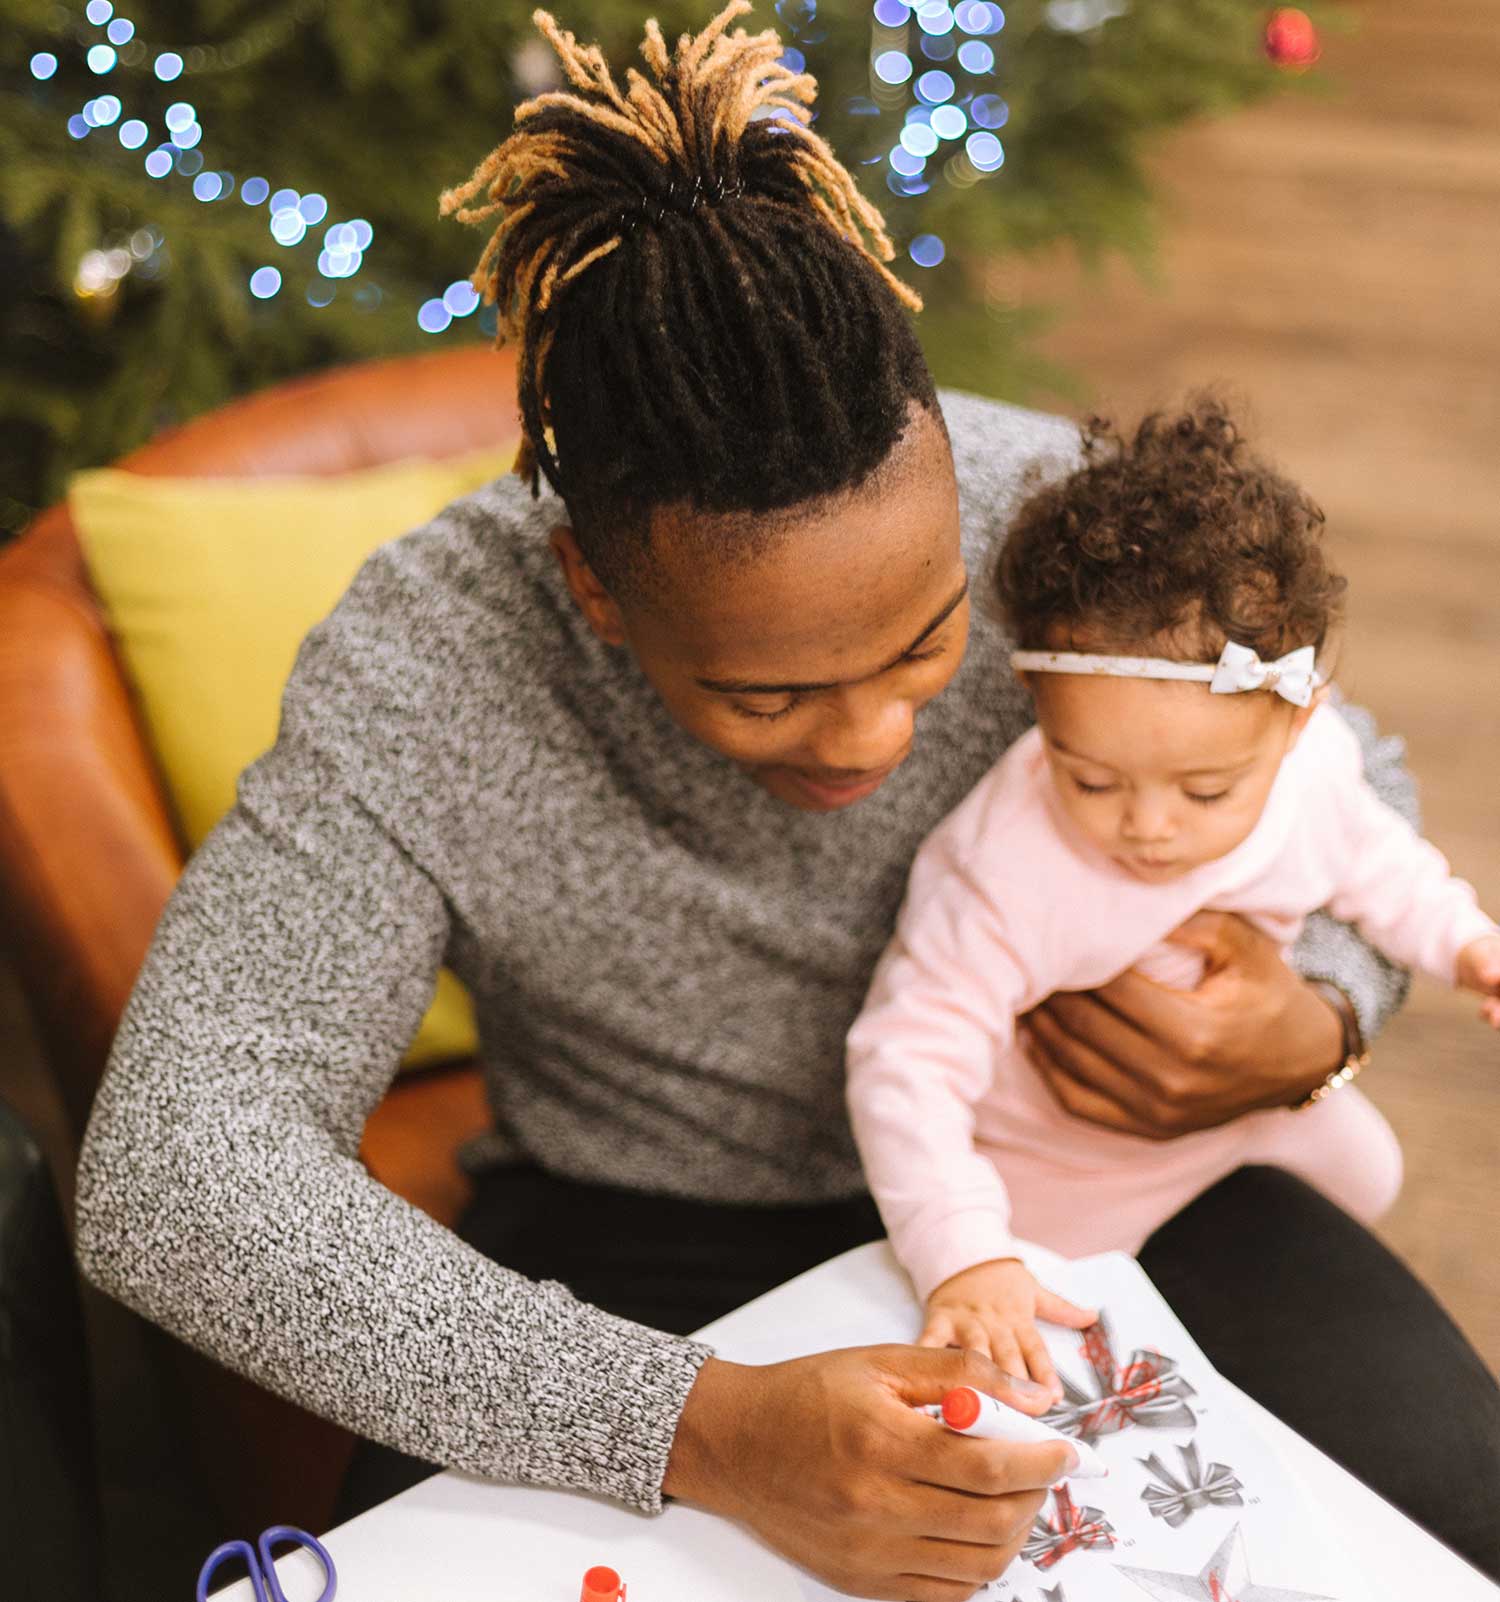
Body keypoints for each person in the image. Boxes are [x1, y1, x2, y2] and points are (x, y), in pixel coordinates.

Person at [72, 5, 1500, 1594]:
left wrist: (1323, 1016)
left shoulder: (1051, 516)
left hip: (1099, 1177)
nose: (878, 736)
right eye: (766, 694)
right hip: (641, 1237)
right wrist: (702, 1426)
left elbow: (1338, 759)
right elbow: (173, 1175)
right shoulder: (427, 660)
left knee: (1457, 1518)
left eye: (931, 643)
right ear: (594, 591)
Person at [847, 399, 1500, 1399]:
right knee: (1058, 1353)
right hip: (1057, 1161)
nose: (1148, 827)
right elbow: (907, 1060)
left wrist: (1466, 944)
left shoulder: (1314, 766)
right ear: (1040, 715)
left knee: (1372, 1173)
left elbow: (1380, 862)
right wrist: (966, 1251)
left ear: (1297, 723)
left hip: (1242, 1103)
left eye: (1206, 792)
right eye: (1090, 779)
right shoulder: (1000, 862)